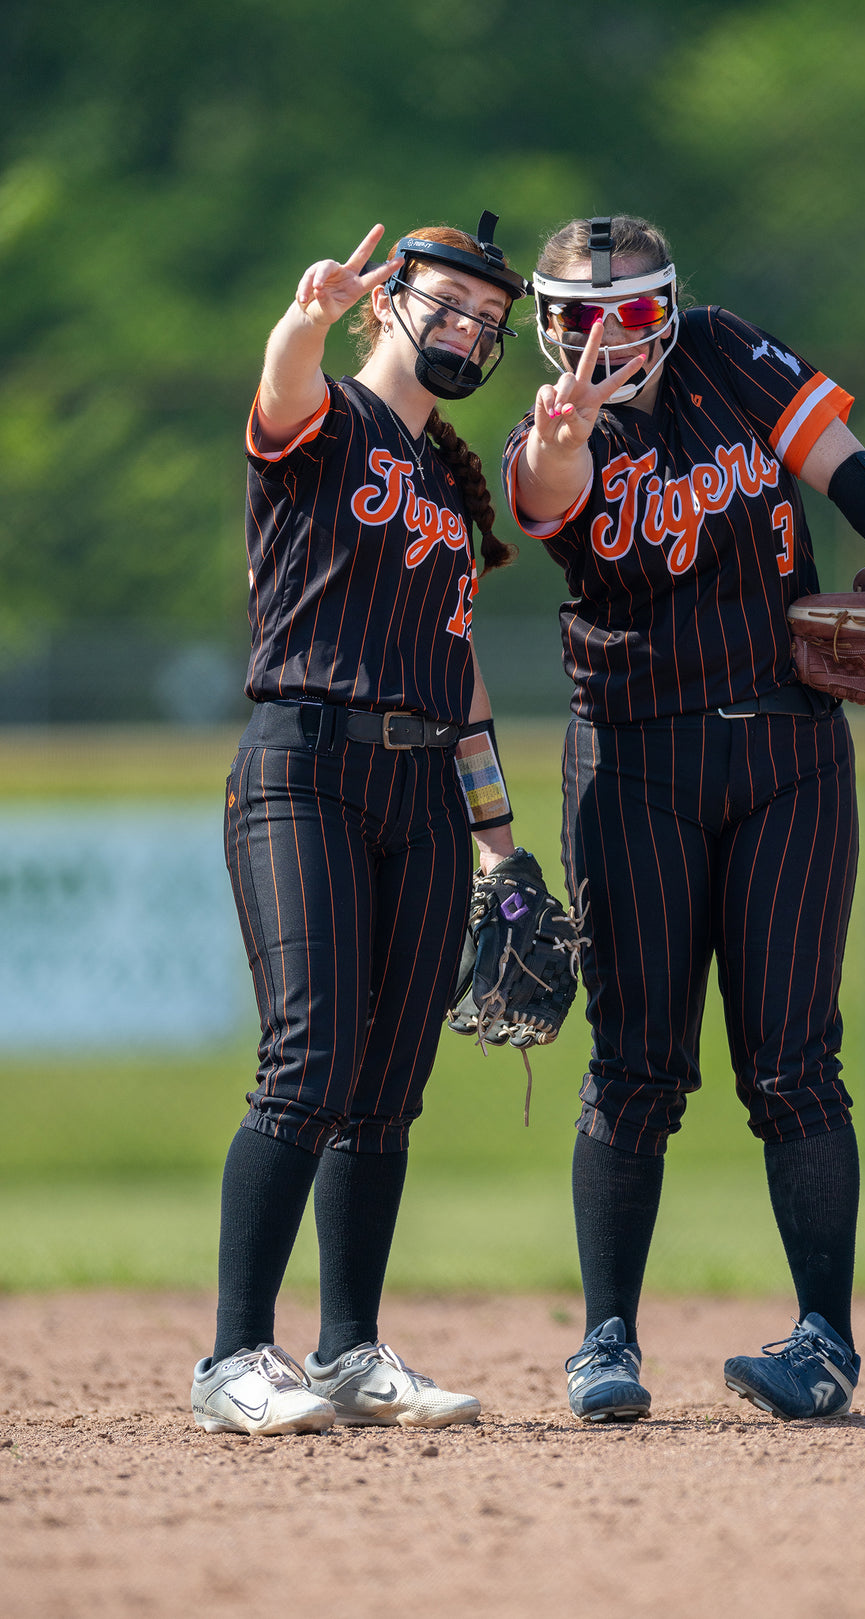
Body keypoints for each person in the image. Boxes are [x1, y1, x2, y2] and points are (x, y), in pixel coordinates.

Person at [502, 214, 865, 1423]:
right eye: (577, 317)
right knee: (634, 1064)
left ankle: (824, 1342)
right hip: (634, 761)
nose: (605, 339)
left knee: (793, 1062)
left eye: (630, 311)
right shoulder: (551, 431)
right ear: (545, 325)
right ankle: (607, 1341)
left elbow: (847, 464)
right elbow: (545, 494)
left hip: (786, 750)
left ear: (670, 305)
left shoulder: (726, 349)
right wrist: (563, 438)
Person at [191, 214, 530, 1436]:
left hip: (424, 786)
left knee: (387, 1084)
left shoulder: (447, 481)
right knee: (311, 1059)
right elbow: (280, 383)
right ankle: (234, 1357)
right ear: (388, 301)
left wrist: (500, 844)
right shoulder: (325, 416)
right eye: (446, 304)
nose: (466, 331)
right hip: (304, 767)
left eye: (487, 322)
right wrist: (305, 318)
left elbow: (460, 669)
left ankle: (348, 1352)